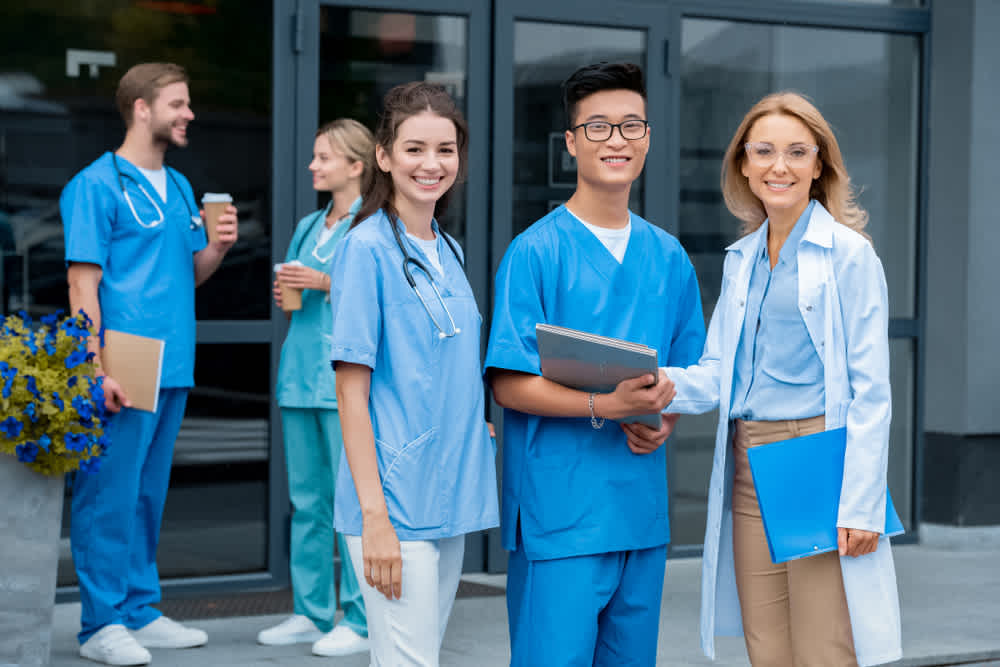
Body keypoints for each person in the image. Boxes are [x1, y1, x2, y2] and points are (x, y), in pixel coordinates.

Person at [662, 91, 902, 667]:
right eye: (764, 151)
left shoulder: (849, 255)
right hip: (749, 465)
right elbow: (719, 373)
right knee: (766, 647)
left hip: (816, 459)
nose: (780, 166)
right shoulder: (742, 257)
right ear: (743, 164)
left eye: (797, 152)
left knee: (823, 650)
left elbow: (872, 388)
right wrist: (658, 383)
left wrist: (862, 505)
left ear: (820, 164)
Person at [484, 62, 706, 666]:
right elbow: (507, 381)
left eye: (631, 126)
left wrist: (664, 419)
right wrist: (603, 406)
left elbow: (689, 372)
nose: (617, 140)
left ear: (648, 139)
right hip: (561, 515)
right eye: (600, 127)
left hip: (639, 513)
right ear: (572, 143)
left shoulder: (668, 256)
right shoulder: (535, 253)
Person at [61, 62, 238, 666]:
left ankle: (138, 608)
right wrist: (97, 365)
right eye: (179, 104)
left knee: (147, 493)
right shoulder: (95, 185)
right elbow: (83, 284)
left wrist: (216, 248)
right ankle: (99, 624)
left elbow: (188, 275)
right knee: (108, 492)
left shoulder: (183, 188)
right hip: (125, 358)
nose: (189, 114)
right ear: (142, 108)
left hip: (174, 359)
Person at [328, 82, 499, 666]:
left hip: (448, 490)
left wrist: (472, 421)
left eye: (446, 150)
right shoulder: (365, 250)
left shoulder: (445, 249)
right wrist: (376, 520)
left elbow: (444, 364)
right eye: (415, 149)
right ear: (383, 156)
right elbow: (350, 396)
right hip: (395, 501)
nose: (432, 164)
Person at [255, 119, 372, 656]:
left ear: (356, 166)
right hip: (299, 376)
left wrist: (322, 282)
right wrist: (292, 290)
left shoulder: (371, 224)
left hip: (340, 381)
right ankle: (310, 610)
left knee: (350, 504)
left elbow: (379, 292)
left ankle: (361, 617)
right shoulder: (309, 224)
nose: (312, 166)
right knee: (307, 503)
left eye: (323, 158)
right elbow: (293, 296)